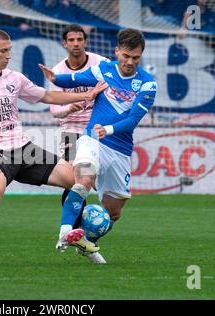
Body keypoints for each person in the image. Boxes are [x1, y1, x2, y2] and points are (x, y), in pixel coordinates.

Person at [0, 28, 107, 268]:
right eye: (3, 51)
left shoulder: (14, 78)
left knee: (78, 178)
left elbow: (48, 97)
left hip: (24, 148)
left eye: (10, 50)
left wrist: (88, 94)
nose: (9, 55)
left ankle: (76, 237)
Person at [40, 28, 157, 263]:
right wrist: (55, 78)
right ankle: (65, 233)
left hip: (120, 149)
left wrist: (109, 130)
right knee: (83, 180)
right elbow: (75, 79)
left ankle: (88, 243)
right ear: (117, 52)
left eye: (135, 57)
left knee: (114, 212)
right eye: (125, 56)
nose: (130, 62)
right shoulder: (103, 69)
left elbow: (133, 119)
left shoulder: (147, 84)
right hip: (91, 139)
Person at [48, 24, 108, 264]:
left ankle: (80, 236)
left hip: (99, 130)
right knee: (79, 182)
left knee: (103, 193)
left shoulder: (100, 63)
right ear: (64, 44)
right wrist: (68, 108)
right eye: (71, 39)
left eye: (79, 39)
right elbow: (54, 110)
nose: (75, 43)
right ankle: (77, 237)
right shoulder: (58, 71)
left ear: (85, 42)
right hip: (72, 133)